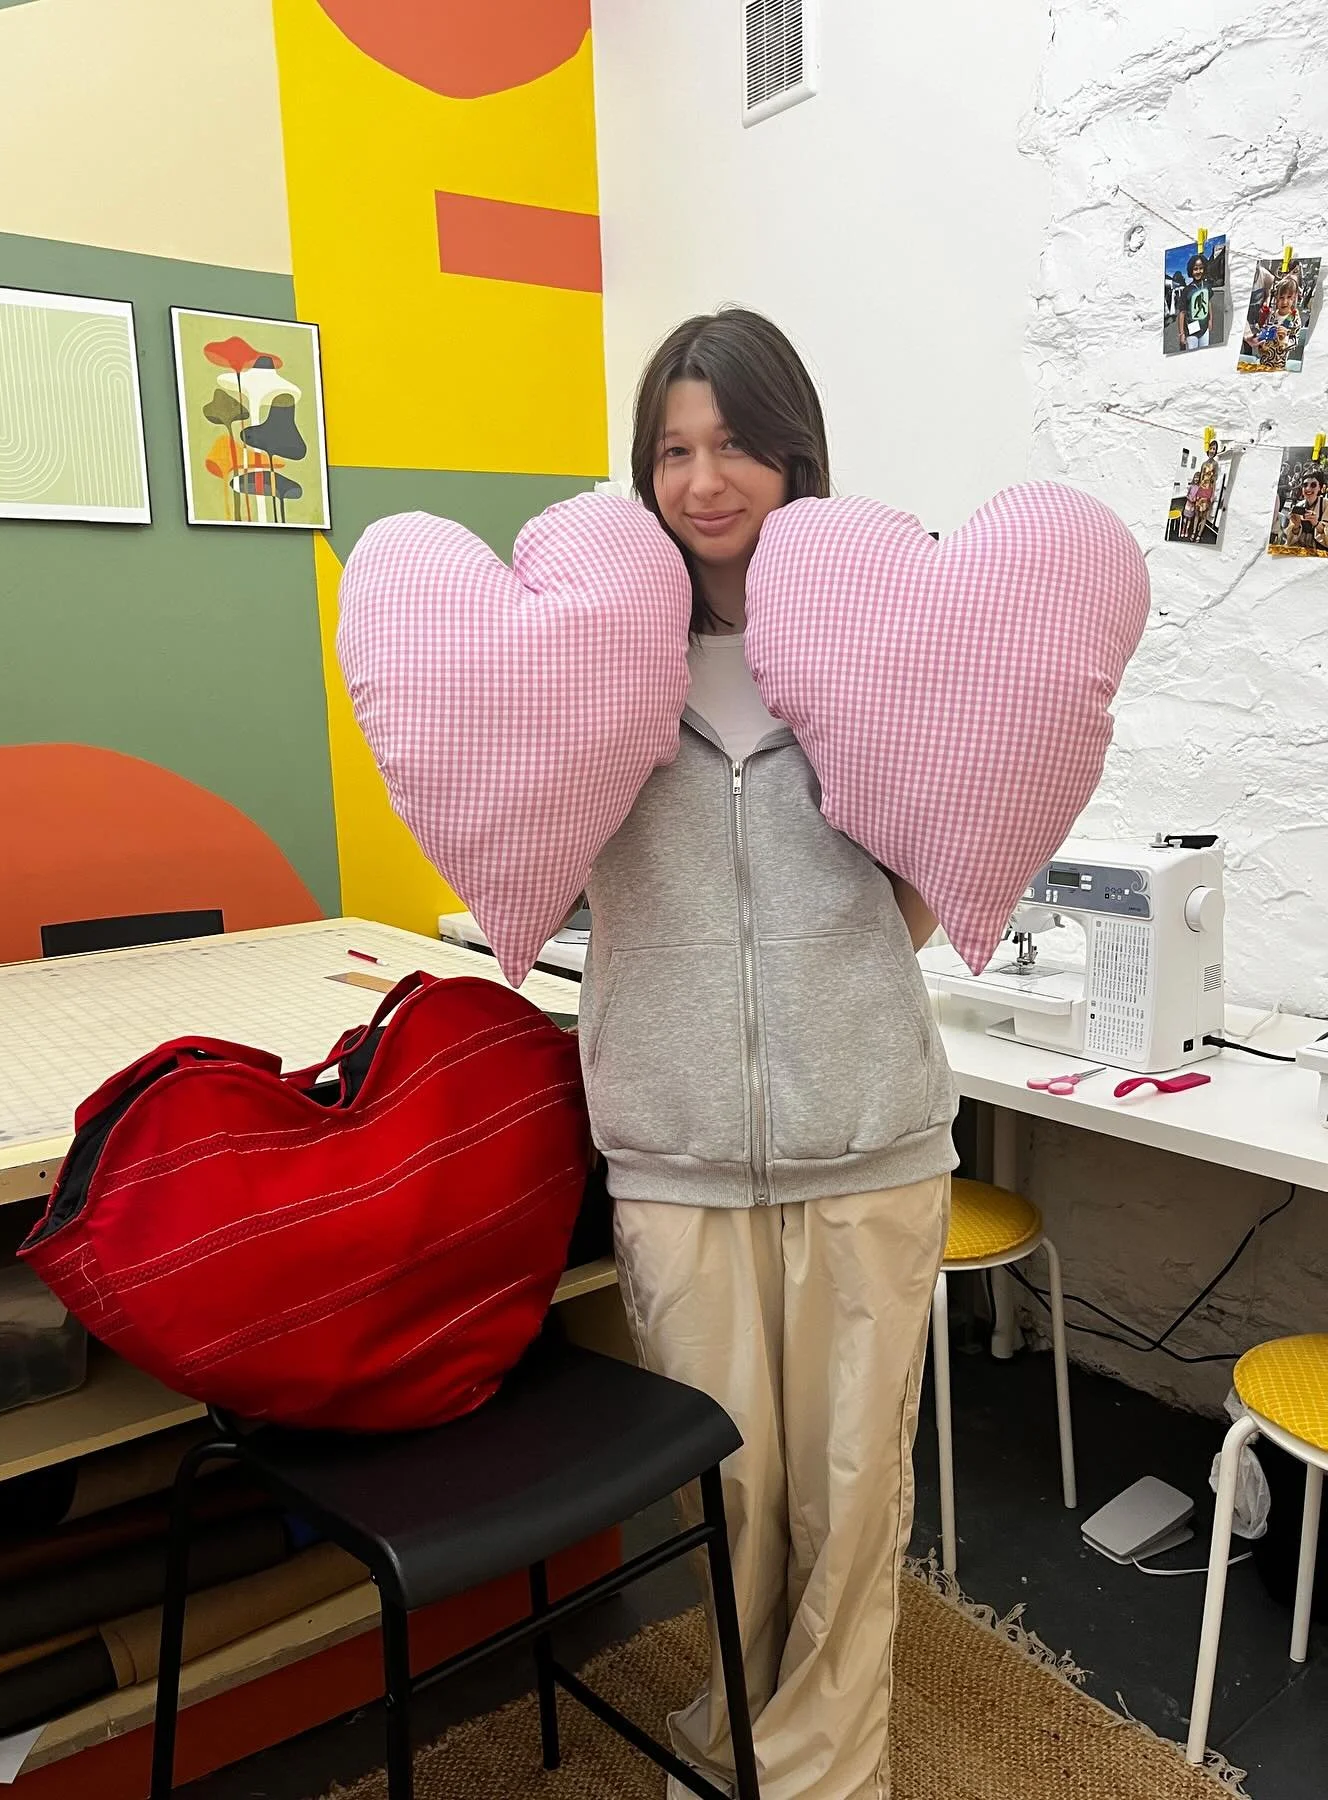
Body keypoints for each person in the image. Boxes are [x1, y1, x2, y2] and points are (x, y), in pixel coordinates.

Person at [578, 308, 957, 1800]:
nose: (704, 477)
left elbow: (935, 876)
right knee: (728, 1494)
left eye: (734, 441)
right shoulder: (601, 662)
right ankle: (735, 1735)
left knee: (855, 1495)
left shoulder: (871, 652)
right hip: (672, 1144)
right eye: (672, 448)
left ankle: (820, 1775)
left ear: (794, 454)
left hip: (867, 1134)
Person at [1176, 253, 1214, 351]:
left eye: (1201, 268)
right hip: (1191, 331)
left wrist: (1210, 320)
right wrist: (1181, 333)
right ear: (1191, 271)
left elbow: (1208, 302)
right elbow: (1182, 312)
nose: (1198, 271)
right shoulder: (1187, 290)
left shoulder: (1207, 286)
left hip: (1204, 328)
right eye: (1195, 269)